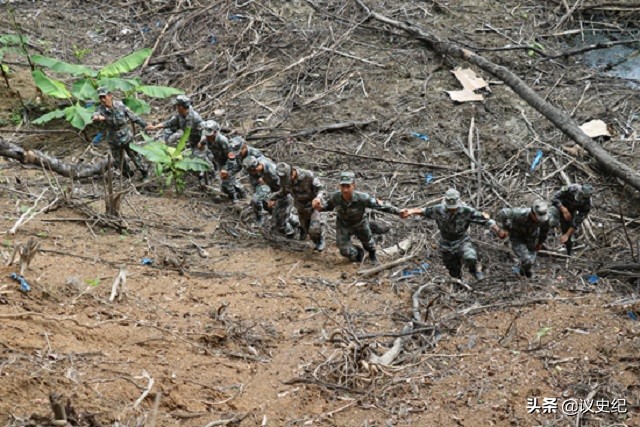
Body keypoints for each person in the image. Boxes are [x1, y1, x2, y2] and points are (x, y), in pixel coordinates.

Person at [405, 188, 506, 280]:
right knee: (453, 270)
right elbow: (424, 211)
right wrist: (410, 211)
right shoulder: (438, 209)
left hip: (462, 240)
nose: (452, 210)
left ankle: (473, 271)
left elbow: (485, 220)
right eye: (450, 208)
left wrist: (498, 231)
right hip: (446, 243)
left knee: (470, 257)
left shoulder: (466, 211)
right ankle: (459, 282)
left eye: (454, 207)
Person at [312, 171, 407, 264]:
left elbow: (382, 206)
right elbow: (328, 206)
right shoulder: (335, 197)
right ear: (339, 186)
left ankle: (372, 255)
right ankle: (358, 254)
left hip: (360, 223)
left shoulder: (363, 198)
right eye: (343, 186)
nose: (345, 190)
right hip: (343, 225)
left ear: (354, 186)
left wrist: (398, 211)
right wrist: (319, 207)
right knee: (345, 251)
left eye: (348, 186)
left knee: (369, 243)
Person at [92, 87, 148, 180]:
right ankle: (129, 175)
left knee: (135, 155)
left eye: (104, 97)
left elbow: (133, 117)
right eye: (100, 98)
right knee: (119, 161)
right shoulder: (100, 109)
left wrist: (145, 125)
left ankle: (144, 173)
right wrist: (98, 118)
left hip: (126, 136)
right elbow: (95, 115)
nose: (102, 99)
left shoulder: (120, 105)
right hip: (113, 139)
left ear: (110, 96)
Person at [269, 162, 327, 251]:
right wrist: (272, 198)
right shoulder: (287, 182)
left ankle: (320, 240)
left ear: (292, 172)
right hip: (301, 209)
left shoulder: (307, 175)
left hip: (314, 206)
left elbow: (321, 188)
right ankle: (304, 232)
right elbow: (283, 192)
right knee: (306, 230)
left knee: (314, 229)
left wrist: (318, 198)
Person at [496, 200, 554, 278]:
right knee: (527, 259)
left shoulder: (545, 219)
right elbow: (503, 213)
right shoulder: (520, 213)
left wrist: (540, 242)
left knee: (531, 260)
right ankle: (519, 272)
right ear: (532, 213)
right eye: (538, 217)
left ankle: (524, 272)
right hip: (517, 237)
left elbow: (544, 230)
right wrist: (504, 229)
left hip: (532, 238)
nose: (539, 220)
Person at [243, 155, 298, 237]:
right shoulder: (256, 166)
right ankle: (295, 223)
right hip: (274, 192)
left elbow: (285, 189)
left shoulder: (273, 172)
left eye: (252, 172)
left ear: (256, 167)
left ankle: (291, 234)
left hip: (283, 195)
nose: (252, 174)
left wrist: (274, 199)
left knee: (280, 222)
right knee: (276, 215)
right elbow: (255, 184)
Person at [551, 183, 593, 255]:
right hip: (558, 207)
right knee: (547, 220)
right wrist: (563, 209)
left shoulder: (588, 205)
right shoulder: (572, 188)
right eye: (579, 194)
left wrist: (567, 235)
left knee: (568, 234)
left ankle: (568, 253)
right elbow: (554, 198)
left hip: (570, 213)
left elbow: (578, 220)